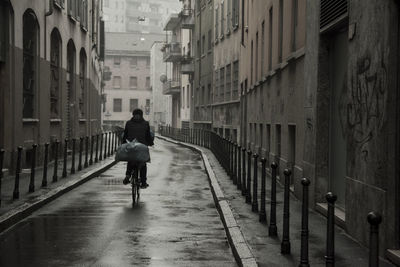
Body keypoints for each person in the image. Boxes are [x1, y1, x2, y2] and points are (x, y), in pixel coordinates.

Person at [122, 108, 154, 188]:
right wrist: (151, 143)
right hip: (142, 147)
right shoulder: (146, 123)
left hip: (131, 145)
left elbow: (125, 135)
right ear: (141, 115)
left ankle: (128, 175)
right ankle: (143, 182)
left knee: (130, 160)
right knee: (143, 164)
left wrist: (123, 144)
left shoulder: (128, 123)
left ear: (133, 115)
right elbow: (148, 136)